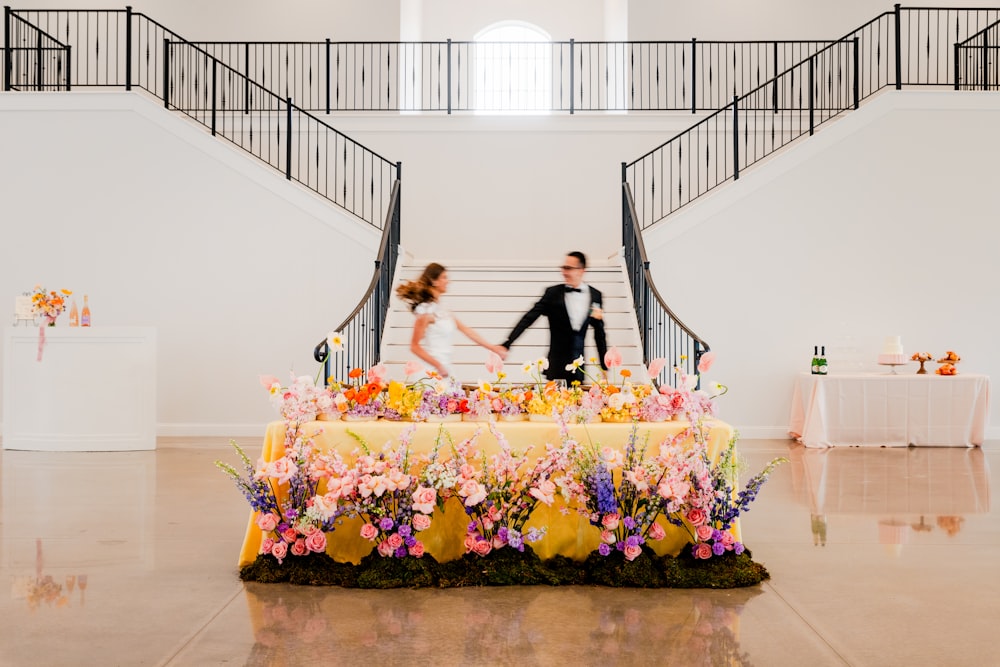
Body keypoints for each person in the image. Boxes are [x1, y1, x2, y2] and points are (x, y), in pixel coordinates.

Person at [499, 251, 608, 383]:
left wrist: (604, 366)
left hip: (579, 369)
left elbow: (599, 333)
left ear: (581, 270)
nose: (564, 272)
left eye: (568, 268)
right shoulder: (553, 294)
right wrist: (508, 343)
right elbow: (529, 318)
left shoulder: (595, 296)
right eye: (563, 268)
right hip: (556, 367)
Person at [396, 263, 506, 379]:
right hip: (431, 372)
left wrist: (493, 348)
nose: (448, 281)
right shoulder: (425, 311)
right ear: (434, 281)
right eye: (444, 277)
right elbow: (415, 346)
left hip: (446, 368)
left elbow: (467, 331)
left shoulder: (443, 308)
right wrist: (438, 366)